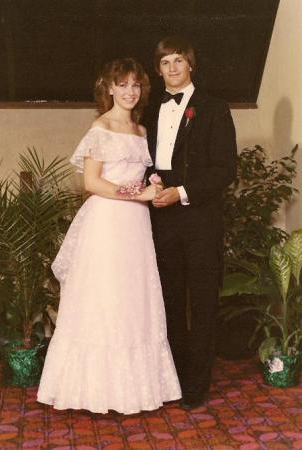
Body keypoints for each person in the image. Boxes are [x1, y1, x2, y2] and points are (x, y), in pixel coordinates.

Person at [37, 57, 181, 414]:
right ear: (109, 88)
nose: (130, 92)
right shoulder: (99, 128)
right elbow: (92, 183)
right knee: (105, 298)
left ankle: (133, 391)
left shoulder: (142, 131)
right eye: (123, 85)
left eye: (135, 85)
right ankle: (95, 392)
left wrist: (151, 185)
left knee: (134, 300)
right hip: (107, 224)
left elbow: (135, 176)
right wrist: (137, 194)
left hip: (135, 225)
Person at [145, 36, 237, 409]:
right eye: (165, 62)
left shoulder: (214, 108)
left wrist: (180, 191)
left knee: (200, 303)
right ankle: (174, 379)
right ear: (158, 68)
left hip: (199, 217)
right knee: (167, 301)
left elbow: (225, 170)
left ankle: (197, 385)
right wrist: (151, 178)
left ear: (191, 65)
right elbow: (144, 158)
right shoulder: (150, 108)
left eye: (179, 60)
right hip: (160, 218)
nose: (172, 68)